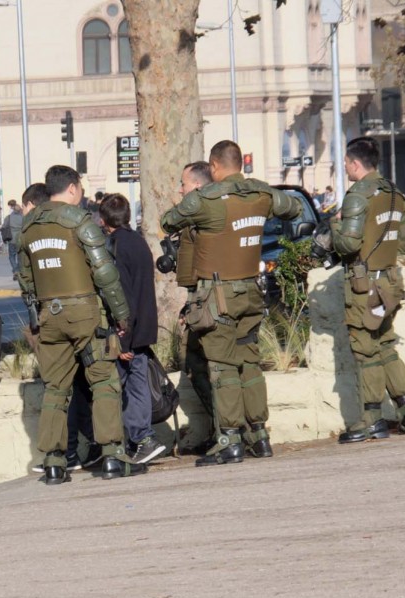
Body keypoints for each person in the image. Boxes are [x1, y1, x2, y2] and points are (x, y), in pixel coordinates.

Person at [162, 140, 301, 466]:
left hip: (217, 296)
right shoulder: (261, 194)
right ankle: (259, 435)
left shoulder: (206, 199)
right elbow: (293, 208)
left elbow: (169, 220)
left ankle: (230, 440)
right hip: (251, 291)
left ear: (213, 165)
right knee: (249, 363)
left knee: (222, 367)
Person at [18, 165, 136, 484]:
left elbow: (26, 279)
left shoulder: (28, 227)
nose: (81, 193)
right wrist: (121, 313)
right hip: (85, 312)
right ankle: (113, 454)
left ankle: (54, 462)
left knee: (56, 388)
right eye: (80, 187)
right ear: (71, 188)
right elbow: (104, 272)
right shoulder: (79, 220)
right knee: (103, 381)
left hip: (49, 316)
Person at [331, 136, 405, 443]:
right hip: (390, 282)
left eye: (345, 163)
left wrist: (335, 225)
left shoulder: (358, 195)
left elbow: (347, 244)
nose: (344, 168)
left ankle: (371, 420)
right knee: (385, 343)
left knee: (365, 347)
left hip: (364, 286)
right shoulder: (395, 193)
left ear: (356, 164)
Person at [100, 194, 167, 464]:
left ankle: (141, 438)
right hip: (143, 326)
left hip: (129, 331)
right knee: (136, 384)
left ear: (103, 221)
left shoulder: (116, 247)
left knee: (127, 388)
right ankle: (139, 439)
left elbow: (123, 296)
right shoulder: (139, 241)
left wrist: (122, 341)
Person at [176, 161, 215, 447]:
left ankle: (227, 429)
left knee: (197, 361)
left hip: (207, 301)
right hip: (209, 297)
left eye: (184, 184)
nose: (180, 189)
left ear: (197, 186)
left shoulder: (200, 215)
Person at [2, 199, 23, 275]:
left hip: (12, 239)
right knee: (20, 255)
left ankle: (15, 269)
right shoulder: (23, 217)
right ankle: (18, 269)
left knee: (11, 256)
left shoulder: (9, 217)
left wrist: (4, 238)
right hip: (21, 238)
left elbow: (4, 227)